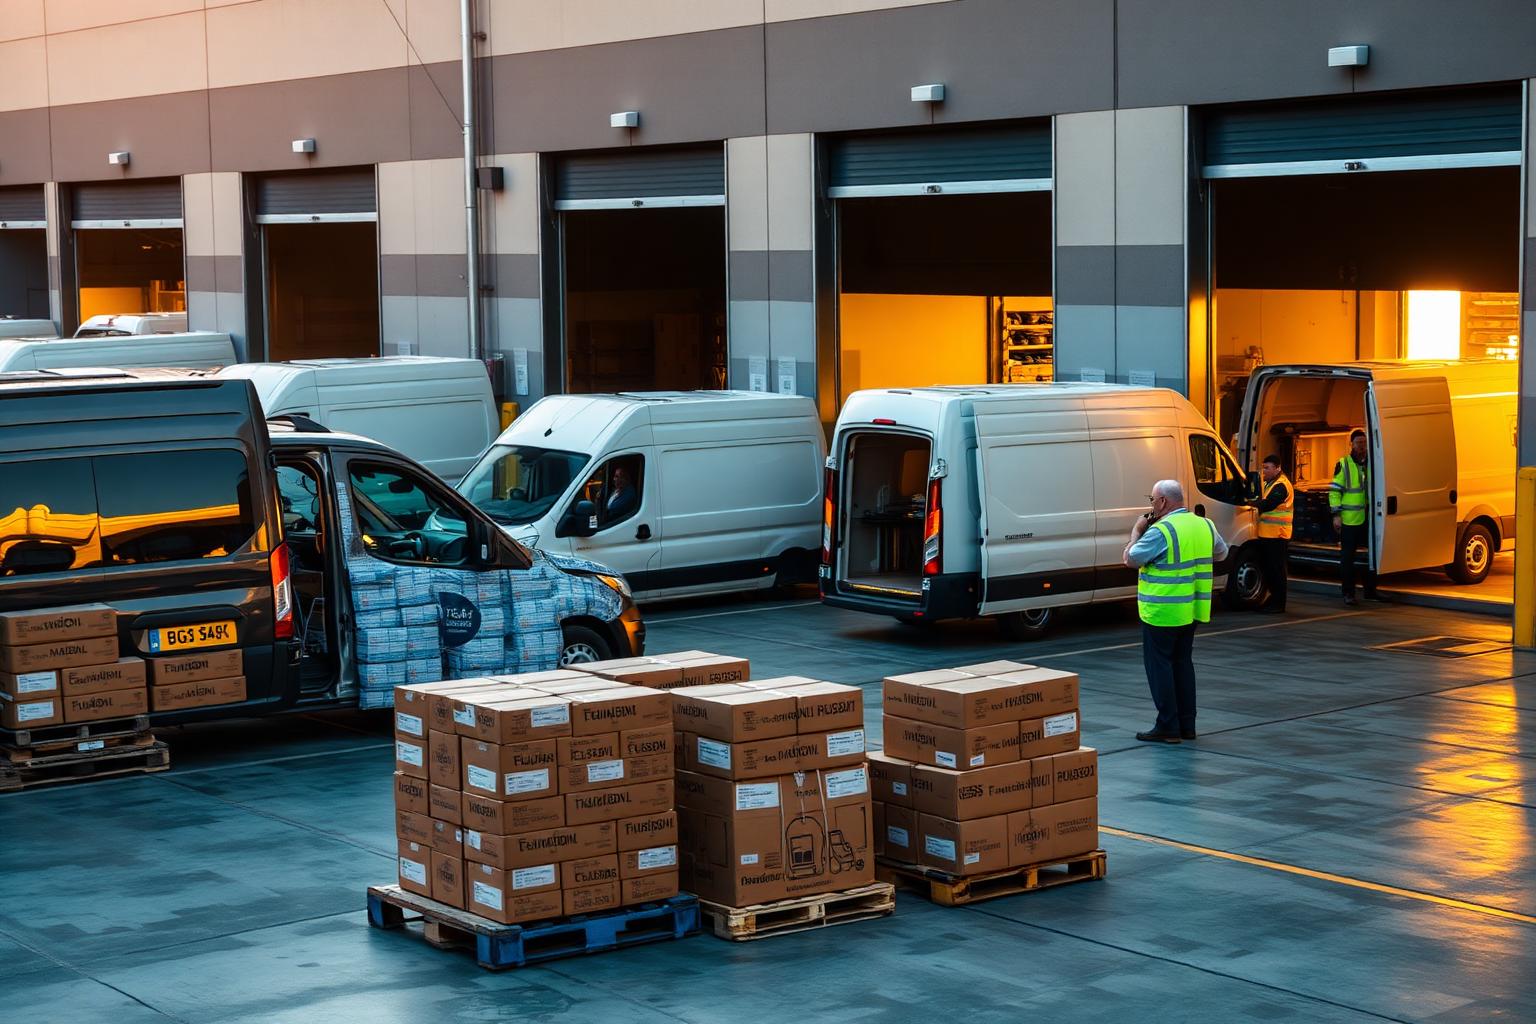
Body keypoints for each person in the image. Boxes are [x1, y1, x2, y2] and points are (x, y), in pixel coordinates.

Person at [1123, 479, 1228, 743]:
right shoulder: (1205, 524)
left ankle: (1168, 726)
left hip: (1162, 610)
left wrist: (1137, 530)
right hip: (1191, 608)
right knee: (1182, 664)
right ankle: (1187, 725)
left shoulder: (1162, 530)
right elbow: (1222, 553)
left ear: (1163, 502)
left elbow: (1131, 558)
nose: (1151, 505)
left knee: (1160, 667)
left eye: (1152, 500)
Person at [1331, 429, 1381, 605]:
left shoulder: (1373, 463)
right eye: (1359, 443)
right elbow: (1334, 492)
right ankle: (1348, 593)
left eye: (1364, 443)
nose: (1362, 446)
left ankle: (1371, 591)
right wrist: (1336, 515)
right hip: (1349, 520)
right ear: (1351, 444)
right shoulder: (1343, 464)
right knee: (1348, 559)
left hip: (1370, 519)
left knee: (1371, 557)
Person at [1253, 454, 1293, 613]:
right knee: (1269, 569)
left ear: (1278, 468)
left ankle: (1278, 603)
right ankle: (1273, 599)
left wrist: (1251, 504)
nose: (1264, 471)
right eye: (1263, 468)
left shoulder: (1282, 485)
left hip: (1278, 535)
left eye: (1268, 468)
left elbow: (1269, 504)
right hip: (1268, 534)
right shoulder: (1268, 483)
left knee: (1277, 570)